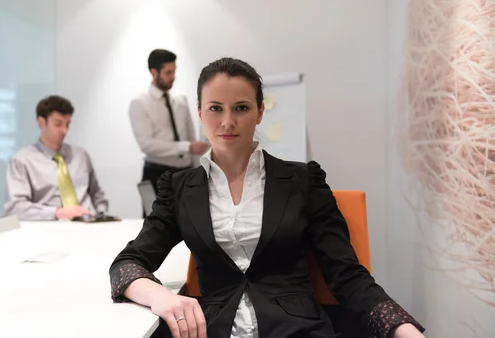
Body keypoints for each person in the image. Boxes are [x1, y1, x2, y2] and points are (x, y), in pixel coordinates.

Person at [110, 58, 426, 338]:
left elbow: (347, 276)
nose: (227, 121)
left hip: (297, 329)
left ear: (260, 112)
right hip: (214, 328)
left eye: (241, 108)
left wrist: (401, 327)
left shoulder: (303, 180)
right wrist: (161, 297)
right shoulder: (179, 188)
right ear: (200, 112)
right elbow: (127, 264)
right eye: (215, 108)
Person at [4, 95, 109, 221]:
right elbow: (15, 208)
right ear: (41, 122)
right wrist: (57, 213)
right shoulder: (22, 160)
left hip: (88, 224)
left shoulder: (81, 155)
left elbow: (97, 194)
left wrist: (101, 214)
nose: (64, 130)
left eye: (67, 124)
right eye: (58, 124)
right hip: (48, 228)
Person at [129, 49, 208, 201]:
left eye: (174, 71)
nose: (173, 77)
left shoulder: (180, 98)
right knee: (155, 223)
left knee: (188, 221)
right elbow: (147, 145)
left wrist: (197, 168)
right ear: (153, 72)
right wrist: (186, 147)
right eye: (168, 72)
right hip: (157, 173)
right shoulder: (139, 103)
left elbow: (190, 136)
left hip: (185, 172)